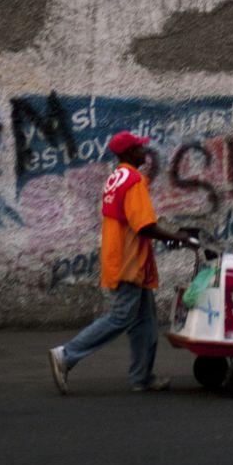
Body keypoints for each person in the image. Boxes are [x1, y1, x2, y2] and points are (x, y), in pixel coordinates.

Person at [48, 131, 198, 394]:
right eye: (140, 148)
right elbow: (144, 226)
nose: (145, 152)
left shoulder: (116, 178)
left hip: (123, 257)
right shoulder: (134, 180)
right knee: (121, 317)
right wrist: (179, 238)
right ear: (129, 153)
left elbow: (136, 224)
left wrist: (170, 238)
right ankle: (67, 355)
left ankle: (142, 377)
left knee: (145, 323)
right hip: (130, 262)